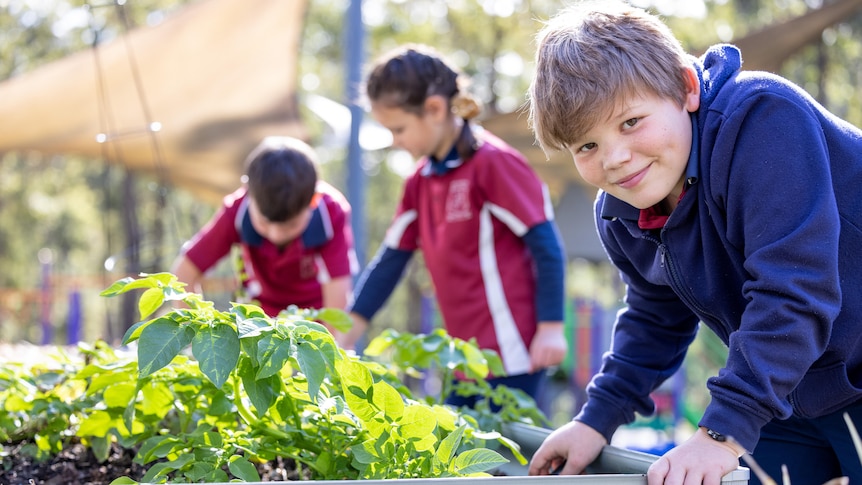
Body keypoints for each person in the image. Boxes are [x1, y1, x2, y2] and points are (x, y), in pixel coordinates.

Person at [525, 2, 862, 484]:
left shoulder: (760, 119)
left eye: (630, 122)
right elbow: (655, 317)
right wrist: (595, 420)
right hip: (797, 388)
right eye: (587, 146)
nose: (616, 159)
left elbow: (795, 290)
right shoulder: (623, 213)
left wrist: (721, 433)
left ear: (685, 88)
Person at [336, 44, 568, 406]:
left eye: (399, 128)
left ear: (434, 109)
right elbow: (390, 260)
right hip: (462, 358)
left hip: (515, 352)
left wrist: (552, 327)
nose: (394, 140)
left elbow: (547, 246)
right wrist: (348, 332)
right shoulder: (420, 181)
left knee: (503, 457)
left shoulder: (494, 164)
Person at [171, 136, 357, 317]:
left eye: (290, 226)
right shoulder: (236, 211)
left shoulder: (331, 213)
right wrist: (197, 337)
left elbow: (337, 304)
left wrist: (333, 345)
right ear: (247, 192)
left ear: (314, 201)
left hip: (313, 325)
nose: (276, 235)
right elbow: (185, 273)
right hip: (257, 326)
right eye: (264, 223)